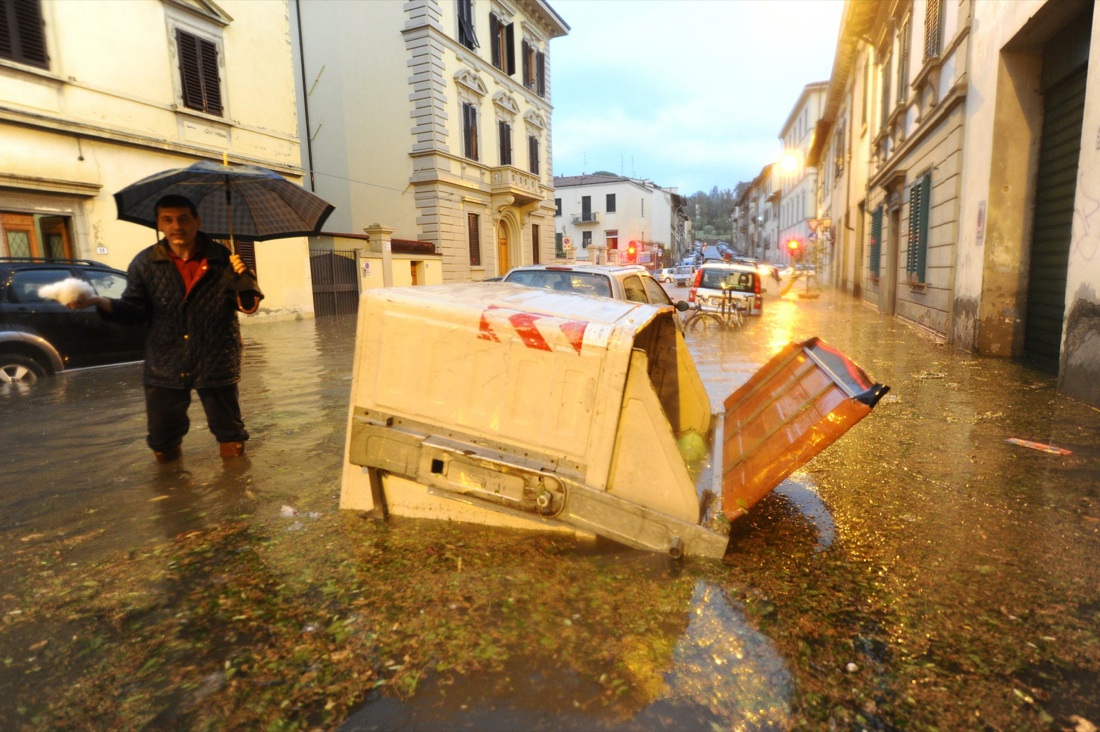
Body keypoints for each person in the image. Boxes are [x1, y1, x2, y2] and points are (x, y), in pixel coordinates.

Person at [70, 194, 263, 463]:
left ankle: (235, 489)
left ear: (197, 221)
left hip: (216, 359)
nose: (176, 226)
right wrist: (96, 300)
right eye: (168, 220)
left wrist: (244, 278)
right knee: (162, 437)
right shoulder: (144, 263)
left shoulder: (223, 258)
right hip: (165, 362)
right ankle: (172, 491)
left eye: (183, 219)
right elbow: (133, 311)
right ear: (159, 224)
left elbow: (248, 307)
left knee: (231, 432)